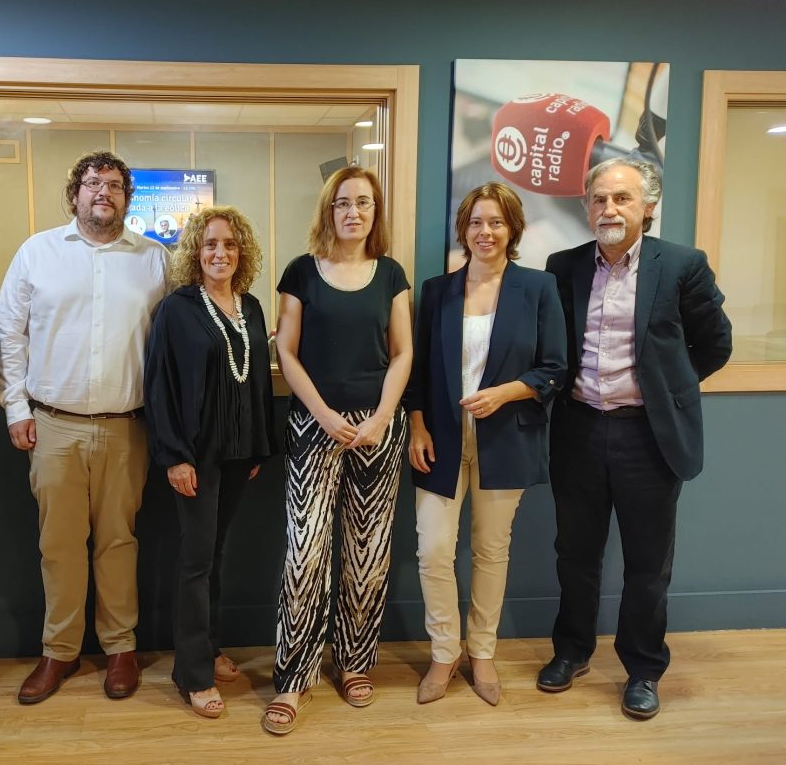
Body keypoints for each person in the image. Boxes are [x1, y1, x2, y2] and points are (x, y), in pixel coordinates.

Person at [538, 157, 732, 720]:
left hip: (648, 436)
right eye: (599, 199)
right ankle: (572, 651)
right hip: (578, 429)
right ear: (586, 208)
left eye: (622, 198)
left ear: (648, 207)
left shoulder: (682, 265)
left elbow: (715, 344)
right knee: (575, 554)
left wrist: (667, 389)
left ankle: (643, 669)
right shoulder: (564, 266)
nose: (609, 209)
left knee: (648, 563)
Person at [0, 150, 169, 704]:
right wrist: (16, 409)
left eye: (114, 185)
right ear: (75, 194)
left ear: (127, 198)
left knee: (119, 542)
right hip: (54, 427)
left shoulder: (155, 260)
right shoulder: (37, 253)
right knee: (59, 545)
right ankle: (60, 651)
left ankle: (120, 647)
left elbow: (174, 342)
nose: (103, 192)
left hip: (127, 429)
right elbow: (9, 334)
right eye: (93, 183)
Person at [263, 166, 413, 735]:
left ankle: (354, 662)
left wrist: (381, 417)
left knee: (367, 553)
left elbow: (402, 353)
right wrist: (325, 415)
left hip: (377, 428)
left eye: (364, 203)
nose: (354, 212)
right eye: (343, 203)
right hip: (313, 425)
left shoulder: (391, 274)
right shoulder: (301, 272)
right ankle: (294, 678)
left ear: (376, 212)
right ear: (329, 210)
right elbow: (286, 351)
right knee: (305, 555)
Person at [406, 183, 565, 706]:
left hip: (507, 437)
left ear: (512, 229)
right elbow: (417, 370)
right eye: (476, 222)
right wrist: (417, 425)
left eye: (496, 222)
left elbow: (554, 368)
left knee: (492, 551)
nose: (485, 232)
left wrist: (505, 392)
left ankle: (482, 652)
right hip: (441, 439)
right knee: (433, 549)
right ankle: (443, 652)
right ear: (464, 229)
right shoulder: (437, 291)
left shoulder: (538, 287)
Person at [144, 205, 276, 719]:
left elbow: (256, 380)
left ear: (242, 252)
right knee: (196, 561)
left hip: (240, 454)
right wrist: (175, 457)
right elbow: (160, 386)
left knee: (216, 555)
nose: (221, 253)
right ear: (196, 252)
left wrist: (257, 447)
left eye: (230, 244)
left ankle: (209, 646)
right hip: (195, 457)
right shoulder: (177, 309)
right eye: (211, 244)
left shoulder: (253, 307)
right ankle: (192, 673)